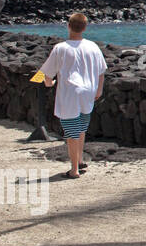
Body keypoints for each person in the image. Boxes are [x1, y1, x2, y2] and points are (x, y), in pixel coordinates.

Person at [39, 12, 107, 180]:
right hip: (88, 92)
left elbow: (48, 74)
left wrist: (50, 84)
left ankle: (74, 169)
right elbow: (101, 71)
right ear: (85, 27)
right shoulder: (93, 46)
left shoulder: (61, 48)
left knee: (71, 133)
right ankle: (80, 159)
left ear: (68, 26)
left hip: (70, 93)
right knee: (81, 128)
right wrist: (99, 90)